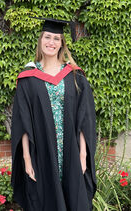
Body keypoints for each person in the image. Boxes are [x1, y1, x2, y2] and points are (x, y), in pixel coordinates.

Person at [10, 17, 97, 211]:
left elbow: (85, 118)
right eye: (48, 37)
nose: (51, 42)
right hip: (42, 149)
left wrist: (83, 155)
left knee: (74, 197)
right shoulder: (28, 77)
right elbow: (22, 120)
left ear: (62, 44)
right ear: (41, 40)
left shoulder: (75, 75)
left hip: (71, 150)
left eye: (56, 39)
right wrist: (26, 157)